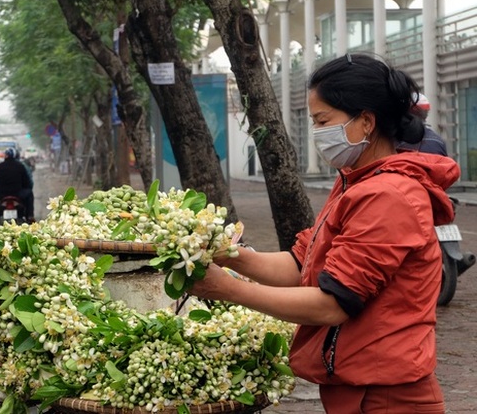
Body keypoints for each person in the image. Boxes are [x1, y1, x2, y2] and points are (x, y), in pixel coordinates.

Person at [188, 53, 459, 413]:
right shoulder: (355, 181)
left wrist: (227, 289)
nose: (316, 133)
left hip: (387, 396)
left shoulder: (388, 195)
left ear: (365, 121)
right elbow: (302, 263)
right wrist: (226, 253)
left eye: (323, 120)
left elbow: (333, 304)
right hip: (357, 388)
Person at [0, 147, 35, 223]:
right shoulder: (20, 166)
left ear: (6, 155)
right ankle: (30, 216)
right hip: (18, 194)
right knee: (29, 194)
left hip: (2, 194)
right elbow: (26, 182)